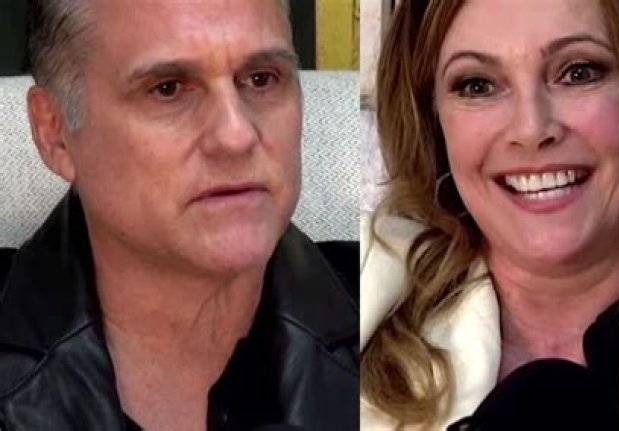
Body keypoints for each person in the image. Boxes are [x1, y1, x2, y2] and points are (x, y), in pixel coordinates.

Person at [360, 0, 619, 429]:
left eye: (579, 72)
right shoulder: (358, 297)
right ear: (432, 119)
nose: (531, 129)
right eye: (478, 85)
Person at [0, 0, 358, 430]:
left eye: (262, 79)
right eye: (167, 89)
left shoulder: (385, 303)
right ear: (54, 132)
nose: (236, 135)